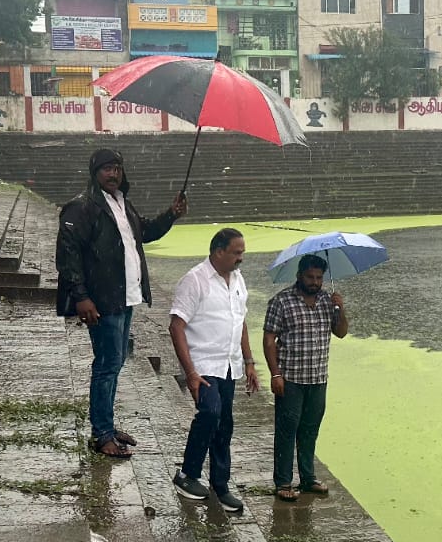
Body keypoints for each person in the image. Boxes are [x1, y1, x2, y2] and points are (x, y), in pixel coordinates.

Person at [56, 148, 186, 459]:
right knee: (107, 365)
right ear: (94, 173)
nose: (113, 174)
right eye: (106, 169)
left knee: (114, 364)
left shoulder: (122, 205)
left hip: (126, 295)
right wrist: (82, 297)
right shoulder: (82, 207)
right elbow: (68, 255)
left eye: (117, 168)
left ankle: (107, 426)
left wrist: (171, 214)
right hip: (102, 299)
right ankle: (102, 434)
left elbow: (147, 232)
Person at [169, 227, 259, 512]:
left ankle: (220, 484)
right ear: (218, 251)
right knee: (210, 412)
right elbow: (176, 325)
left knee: (225, 423)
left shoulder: (238, 280)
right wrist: (191, 373)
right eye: (236, 252)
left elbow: (240, 322)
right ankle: (187, 474)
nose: (240, 258)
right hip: (204, 363)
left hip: (230, 364)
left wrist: (249, 361)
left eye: (242, 253)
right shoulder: (195, 280)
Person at [262, 253, 348, 502]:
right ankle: (283, 482)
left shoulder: (327, 301)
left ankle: (308, 478)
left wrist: (340, 308)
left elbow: (341, 332)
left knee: (310, 430)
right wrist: (275, 373)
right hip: (290, 378)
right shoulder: (281, 301)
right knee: (287, 430)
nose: (314, 282)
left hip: (318, 377)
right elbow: (269, 339)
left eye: (319, 278)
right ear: (299, 275)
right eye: (310, 277)